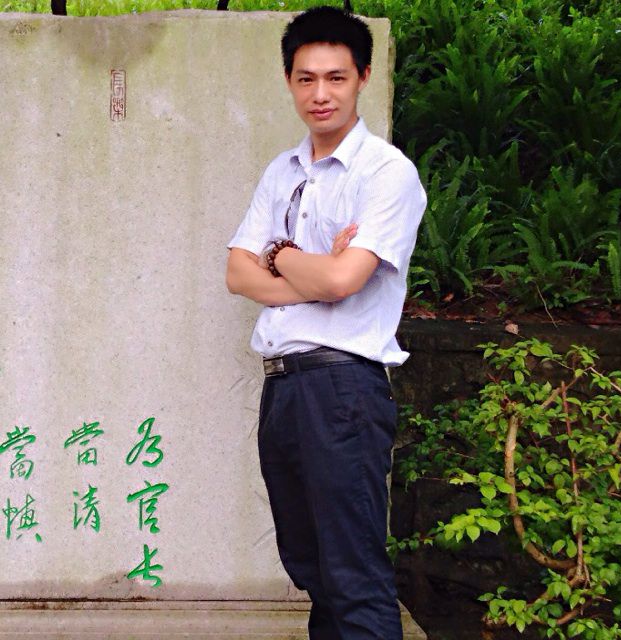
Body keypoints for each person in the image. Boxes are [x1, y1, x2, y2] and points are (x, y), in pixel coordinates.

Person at [226, 6, 426, 639]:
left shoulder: (386, 173)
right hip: (283, 386)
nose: (321, 93)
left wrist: (280, 253)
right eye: (306, 78)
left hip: (342, 389)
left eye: (336, 77)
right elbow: (237, 274)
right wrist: (314, 267)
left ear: (362, 77)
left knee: (352, 576)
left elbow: (344, 282)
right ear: (289, 81)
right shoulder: (281, 172)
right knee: (312, 568)